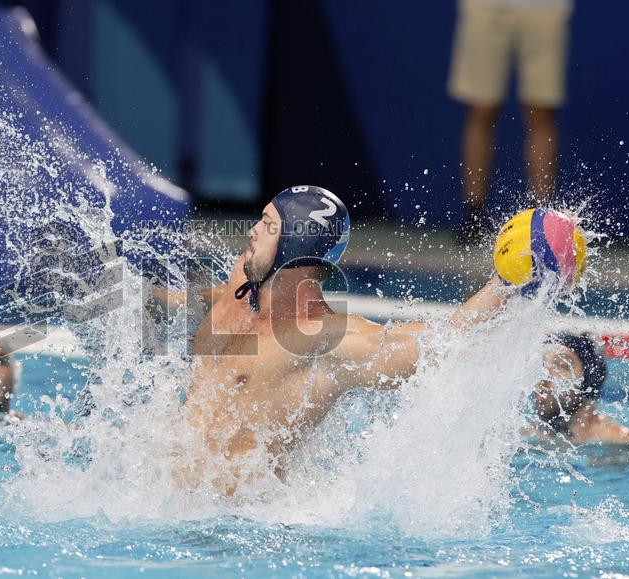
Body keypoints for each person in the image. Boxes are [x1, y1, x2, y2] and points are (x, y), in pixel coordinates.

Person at [173, 185, 524, 495]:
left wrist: (505, 284)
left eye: (268, 225)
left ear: (294, 245)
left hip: (237, 527)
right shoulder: (239, 285)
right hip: (166, 501)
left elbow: (440, 344)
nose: (252, 231)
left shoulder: (325, 340)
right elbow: (185, 302)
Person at [449, 0, 573, 244]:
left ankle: (542, 218)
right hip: (487, 7)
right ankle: (474, 216)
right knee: (482, 108)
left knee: (540, 111)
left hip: (546, 8)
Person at [533, 333, 629, 445]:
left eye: (562, 366)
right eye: (542, 366)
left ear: (588, 381)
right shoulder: (529, 437)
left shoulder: (628, 445)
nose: (543, 376)